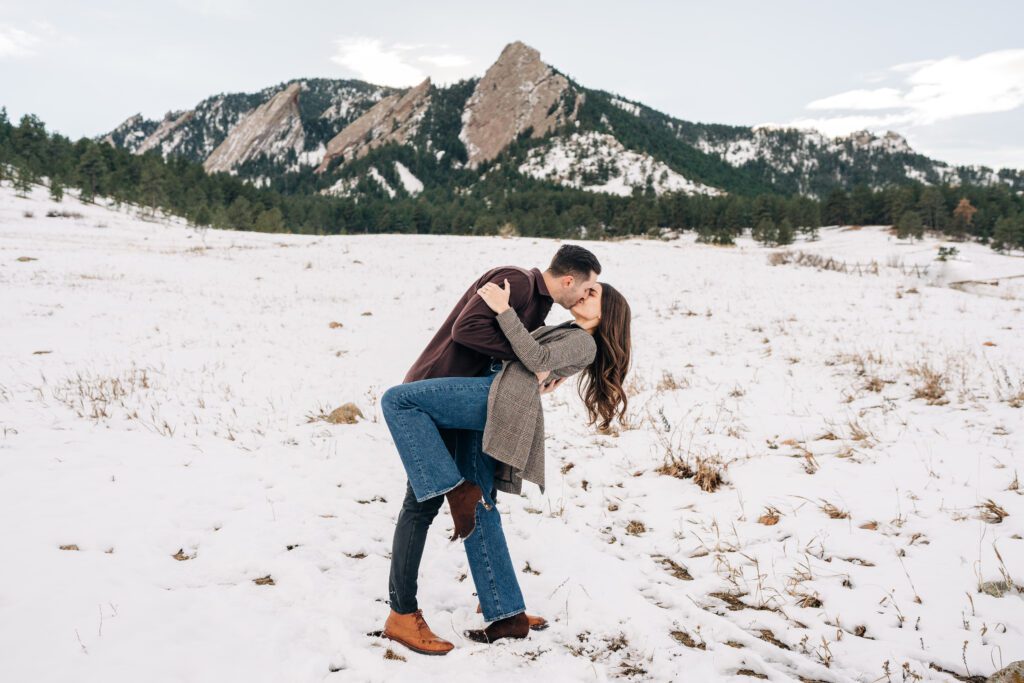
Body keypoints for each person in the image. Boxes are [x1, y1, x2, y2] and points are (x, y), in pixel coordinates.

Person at [381, 272, 632, 653]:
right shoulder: (570, 332)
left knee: (397, 400)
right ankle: (506, 612)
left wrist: (502, 309)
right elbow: (534, 357)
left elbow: (534, 357)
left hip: (497, 400)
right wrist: (548, 365)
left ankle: (451, 487)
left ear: (607, 311)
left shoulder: (585, 342)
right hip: (500, 403)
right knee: (482, 508)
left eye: (594, 293)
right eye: (587, 287)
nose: (585, 294)